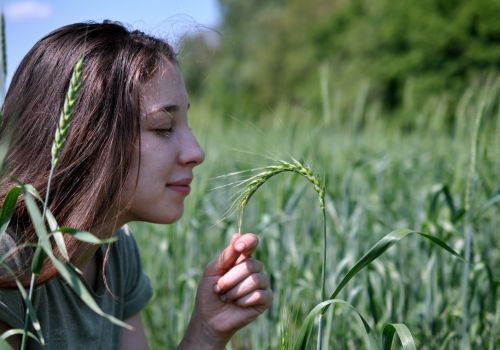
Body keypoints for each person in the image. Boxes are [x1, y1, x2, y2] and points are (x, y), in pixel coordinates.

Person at [0, 21, 273, 349]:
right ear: (88, 138)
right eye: (163, 127)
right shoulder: (8, 259)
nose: (196, 153)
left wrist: (207, 329)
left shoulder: (114, 251)